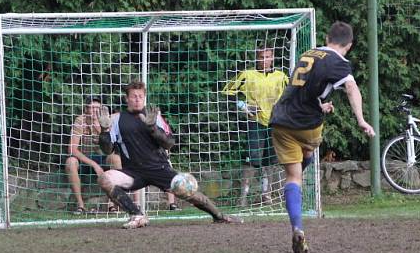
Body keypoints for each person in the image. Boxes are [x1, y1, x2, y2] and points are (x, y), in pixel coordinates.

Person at [269, 21, 375, 253]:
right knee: (307, 152)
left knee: (292, 177)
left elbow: (304, 88)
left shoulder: (310, 52)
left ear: (327, 38)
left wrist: (320, 103)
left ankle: (297, 226)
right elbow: (351, 88)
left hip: (280, 118)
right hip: (306, 123)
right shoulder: (339, 62)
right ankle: (296, 187)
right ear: (349, 45)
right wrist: (361, 120)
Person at [97, 80, 241, 228]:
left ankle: (219, 216)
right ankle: (137, 215)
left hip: (159, 168)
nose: (137, 99)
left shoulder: (154, 116)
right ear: (126, 98)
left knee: (189, 193)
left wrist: (152, 128)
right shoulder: (116, 119)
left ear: (144, 97)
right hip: (133, 172)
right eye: (134, 96)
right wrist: (104, 131)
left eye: (141, 96)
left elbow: (169, 143)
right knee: (105, 179)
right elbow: (107, 150)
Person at [222, 45, 288, 206]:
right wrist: (243, 106)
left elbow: (291, 96)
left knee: (270, 161)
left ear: (272, 58)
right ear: (256, 58)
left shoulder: (281, 77)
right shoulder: (247, 75)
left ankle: (267, 195)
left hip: (275, 123)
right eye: (261, 57)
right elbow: (226, 92)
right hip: (255, 122)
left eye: (267, 57)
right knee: (251, 160)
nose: (264, 60)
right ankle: (242, 197)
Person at [66, 97, 121, 213]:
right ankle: (80, 206)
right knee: (70, 162)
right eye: (92, 108)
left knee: (116, 159)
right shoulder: (80, 121)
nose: (96, 111)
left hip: (104, 159)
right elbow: (72, 149)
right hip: (84, 159)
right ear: (86, 109)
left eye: (98, 108)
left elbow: (113, 148)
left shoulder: (108, 122)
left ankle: (111, 204)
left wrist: (101, 131)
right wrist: (94, 165)